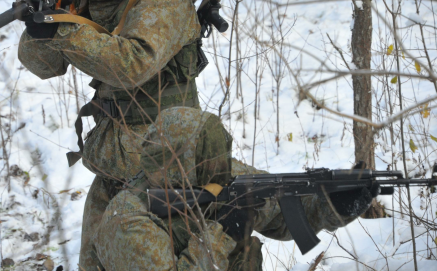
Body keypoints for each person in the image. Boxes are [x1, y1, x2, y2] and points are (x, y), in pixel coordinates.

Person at [18, 0, 203, 269]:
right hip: (112, 164)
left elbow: (133, 64)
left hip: (163, 168)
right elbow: (44, 67)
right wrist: (40, 27)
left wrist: (66, 31)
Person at [94, 107, 378, 271]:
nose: (220, 175)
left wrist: (335, 205)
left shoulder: (224, 176)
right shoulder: (127, 222)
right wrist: (224, 232)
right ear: (180, 164)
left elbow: (286, 217)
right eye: (207, 166)